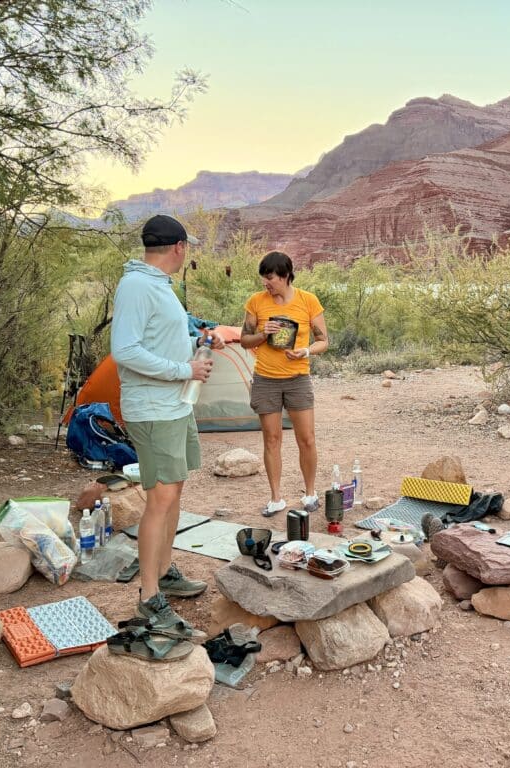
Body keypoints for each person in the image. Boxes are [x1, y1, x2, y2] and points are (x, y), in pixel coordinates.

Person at [111, 214, 225, 629]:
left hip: (175, 406)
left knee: (173, 493)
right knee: (160, 499)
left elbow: (160, 339)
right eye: (187, 247)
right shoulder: (137, 286)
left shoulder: (157, 285)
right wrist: (185, 371)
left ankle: (163, 572)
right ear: (178, 247)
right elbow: (125, 350)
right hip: (155, 409)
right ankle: (149, 594)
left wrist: (198, 342)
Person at [239, 251, 329, 517]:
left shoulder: (308, 301)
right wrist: (262, 335)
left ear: (286, 275)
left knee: (307, 439)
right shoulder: (256, 302)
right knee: (272, 439)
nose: (266, 284)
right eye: (264, 279)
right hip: (266, 379)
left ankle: (310, 493)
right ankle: (276, 498)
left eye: (270, 279)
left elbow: (324, 340)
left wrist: (306, 352)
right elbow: (244, 339)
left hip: (297, 379)